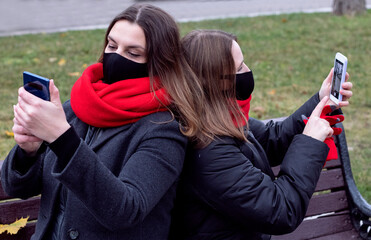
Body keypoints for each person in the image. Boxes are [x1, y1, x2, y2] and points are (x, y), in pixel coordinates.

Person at [1, 4, 201, 240]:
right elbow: (18, 188)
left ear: (159, 62)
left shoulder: (165, 129)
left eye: (133, 53)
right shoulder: (76, 107)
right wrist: (28, 151)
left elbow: (125, 210)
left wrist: (63, 139)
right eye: (112, 45)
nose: (116, 57)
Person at [169, 30, 353, 239]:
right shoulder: (208, 151)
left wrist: (319, 100)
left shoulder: (217, 117)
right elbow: (281, 210)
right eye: (239, 68)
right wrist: (309, 142)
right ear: (213, 81)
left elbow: (270, 139)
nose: (248, 71)